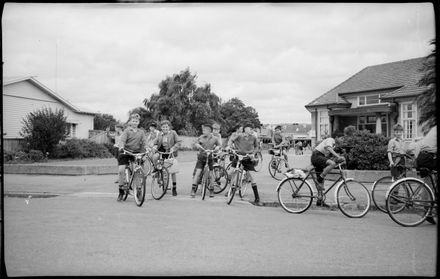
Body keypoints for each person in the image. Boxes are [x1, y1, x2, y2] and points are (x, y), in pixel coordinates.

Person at [227, 122, 263, 206]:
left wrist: (253, 154)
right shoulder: (239, 135)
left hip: (248, 158)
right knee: (231, 172)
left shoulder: (253, 138)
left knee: (252, 177)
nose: (251, 131)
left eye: (252, 129)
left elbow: (257, 147)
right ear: (246, 129)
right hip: (238, 156)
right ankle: (230, 189)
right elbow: (231, 140)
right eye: (250, 129)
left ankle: (257, 198)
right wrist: (229, 147)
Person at [117, 114, 148, 201]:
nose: (135, 122)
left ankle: (138, 192)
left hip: (136, 153)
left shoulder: (141, 132)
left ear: (138, 122)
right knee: (121, 170)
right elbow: (122, 141)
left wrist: (147, 148)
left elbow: (144, 142)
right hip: (125, 151)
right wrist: (122, 147)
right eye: (133, 121)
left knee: (137, 171)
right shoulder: (127, 131)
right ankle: (121, 191)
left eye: (136, 121)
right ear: (130, 122)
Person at [311, 131, 346, 207]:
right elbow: (328, 148)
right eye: (342, 138)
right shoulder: (331, 140)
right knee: (331, 165)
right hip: (316, 155)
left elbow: (329, 156)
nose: (343, 140)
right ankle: (320, 177)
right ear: (336, 137)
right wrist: (338, 156)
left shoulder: (334, 145)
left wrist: (339, 160)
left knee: (321, 183)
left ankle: (320, 200)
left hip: (320, 157)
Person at [190, 123, 222, 198]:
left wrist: (217, 148)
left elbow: (219, 145)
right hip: (201, 157)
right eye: (203, 130)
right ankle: (193, 189)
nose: (203, 131)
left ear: (209, 131)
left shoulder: (215, 138)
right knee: (198, 173)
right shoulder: (201, 137)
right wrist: (196, 145)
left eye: (205, 130)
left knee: (211, 174)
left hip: (210, 157)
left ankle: (211, 189)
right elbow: (195, 144)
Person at [152, 120, 182, 196]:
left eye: (166, 126)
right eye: (163, 127)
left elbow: (178, 142)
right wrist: (154, 146)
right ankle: (156, 170)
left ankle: (174, 188)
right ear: (161, 128)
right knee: (155, 157)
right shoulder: (160, 134)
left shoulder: (173, 133)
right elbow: (155, 142)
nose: (165, 128)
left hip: (170, 152)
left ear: (169, 127)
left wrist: (174, 148)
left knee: (173, 171)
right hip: (162, 152)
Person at [414, 125, 437, 224]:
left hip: (422, 157)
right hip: (427, 158)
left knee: (428, 184)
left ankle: (428, 212)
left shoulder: (434, 128)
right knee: (429, 185)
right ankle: (427, 211)